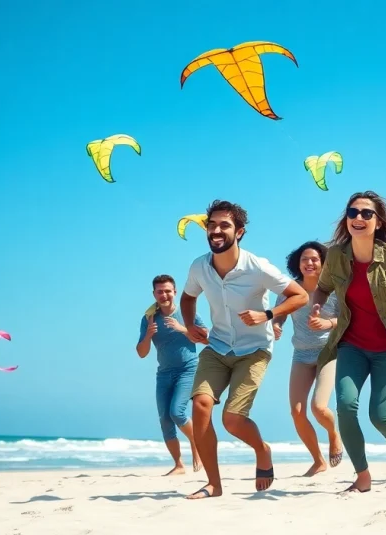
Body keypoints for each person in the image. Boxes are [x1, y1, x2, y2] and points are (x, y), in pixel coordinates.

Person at [179, 200, 310, 499]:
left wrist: (267, 315)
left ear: (239, 232)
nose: (216, 230)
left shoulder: (257, 267)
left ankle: (262, 450)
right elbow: (187, 299)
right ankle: (214, 484)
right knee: (200, 406)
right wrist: (190, 325)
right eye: (211, 225)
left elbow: (299, 295)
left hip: (254, 349)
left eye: (224, 225)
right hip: (218, 345)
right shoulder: (199, 267)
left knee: (232, 419)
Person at [311, 190, 386, 493]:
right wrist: (317, 305)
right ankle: (362, 475)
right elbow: (323, 288)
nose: (358, 218)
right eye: (353, 212)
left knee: (380, 416)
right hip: (351, 344)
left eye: (367, 213)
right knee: (345, 405)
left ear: (378, 222)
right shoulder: (337, 256)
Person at [271, 241, 344, 477]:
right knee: (297, 411)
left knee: (318, 407)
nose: (309, 263)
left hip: (328, 352)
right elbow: (279, 315)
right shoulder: (290, 290)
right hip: (301, 355)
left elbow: (346, 320)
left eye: (314, 259)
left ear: (323, 263)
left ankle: (334, 434)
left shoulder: (333, 289)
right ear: (297, 264)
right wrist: (276, 325)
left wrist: (327, 323)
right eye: (305, 259)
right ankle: (318, 460)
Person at [136, 274, 206, 476]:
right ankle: (178, 465)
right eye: (160, 291)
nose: (164, 295)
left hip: (188, 369)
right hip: (164, 373)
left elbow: (207, 340)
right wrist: (148, 335)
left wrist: (183, 329)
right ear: (154, 294)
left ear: (175, 292)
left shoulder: (187, 313)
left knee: (177, 412)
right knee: (165, 419)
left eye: (168, 291)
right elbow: (141, 353)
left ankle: (196, 445)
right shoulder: (149, 318)